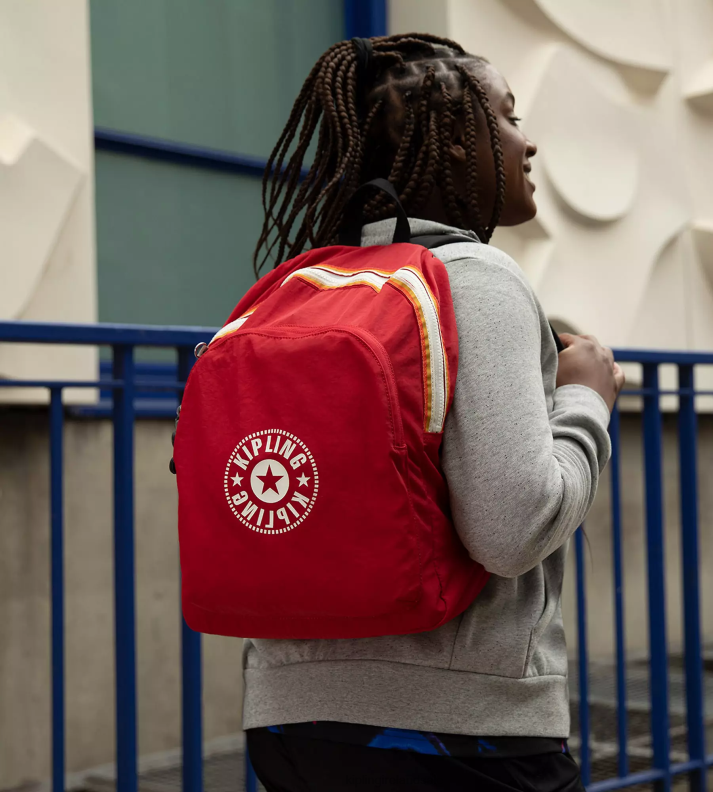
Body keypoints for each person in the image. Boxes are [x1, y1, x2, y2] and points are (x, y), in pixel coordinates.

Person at [243, 33, 624, 792]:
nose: (526, 143)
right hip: (457, 735)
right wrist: (587, 400)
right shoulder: (474, 279)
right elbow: (511, 530)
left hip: (289, 725)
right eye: (508, 116)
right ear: (453, 140)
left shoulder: (300, 287)